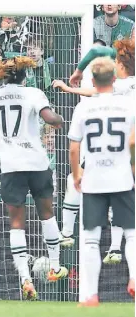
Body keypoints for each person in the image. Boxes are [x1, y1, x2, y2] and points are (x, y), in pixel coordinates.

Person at [0, 56, 67, 300]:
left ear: (3, 75)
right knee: (47, 213)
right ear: (25, 76)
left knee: (17, 223)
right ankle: (55, 268)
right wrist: (59, 119)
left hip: (11, 165)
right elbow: (50, 119)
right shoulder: (34, 93)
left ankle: (25, 278)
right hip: (36, 162)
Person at [53, 39, 134, 262]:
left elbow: (98, 81)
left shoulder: (120, 85)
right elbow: (98, 50)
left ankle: (68, 234)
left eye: (115, 61)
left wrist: (71, 84)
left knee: (75, 182)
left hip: (111, 148)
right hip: (126, 148)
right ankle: (116, 248)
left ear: (121, 65)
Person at [68, 57, 134, 305]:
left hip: (94, 179)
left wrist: (76, 174)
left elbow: (74, 147)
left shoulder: (84, 107)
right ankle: (134, 278)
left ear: (93, 81)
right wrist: (133, 167)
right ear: (114, 80)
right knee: (132, 234)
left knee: (91, 238)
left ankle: (91, 294)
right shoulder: (128, 105)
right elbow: (133, 141)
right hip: (122, 178)